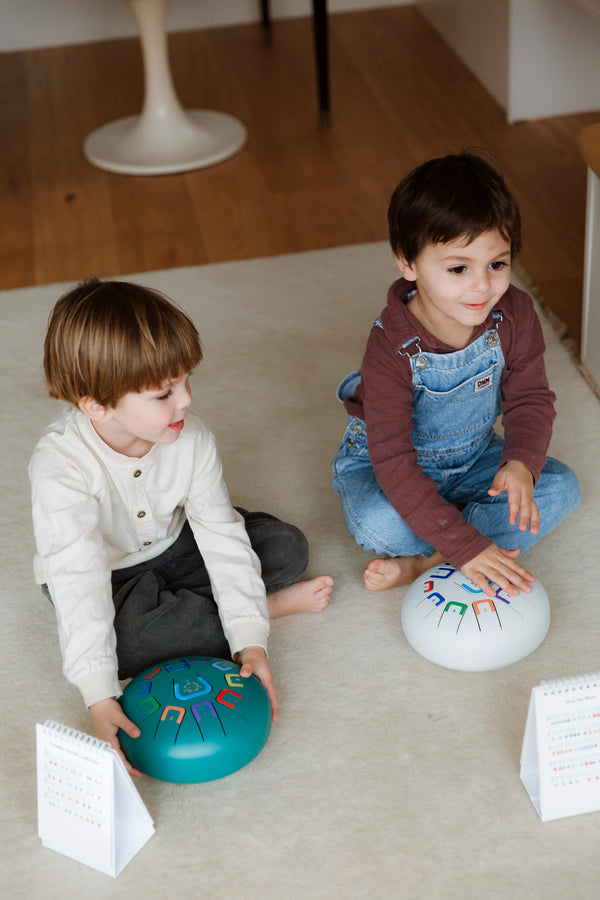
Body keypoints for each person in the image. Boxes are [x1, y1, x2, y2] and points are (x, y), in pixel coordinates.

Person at [30, 278, 333, 775]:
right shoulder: (59, 467)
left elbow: (219, 530)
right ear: (97, 405)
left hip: (176, 544)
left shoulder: (190, 436)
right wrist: (98, 695)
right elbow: (78, 578)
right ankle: (263, 606)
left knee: (285, 546)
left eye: (186, 380)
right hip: (107, 576)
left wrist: (250, 642)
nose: (186, 400)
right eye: (163, 393)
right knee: (127, 644)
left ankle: (240, 614)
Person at [332, 152, 580, 600]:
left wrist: (520, 462)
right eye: (458, 269)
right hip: (387, 465)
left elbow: (530, 400)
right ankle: (464, 540)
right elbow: (393, 462)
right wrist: (467, 544)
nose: (482, 286)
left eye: (497, 264)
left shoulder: (516, 313)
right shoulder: (391, 345)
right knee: (379, 522)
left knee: (560, 488)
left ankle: (430, 559)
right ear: (408, 264)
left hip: (473, 457)